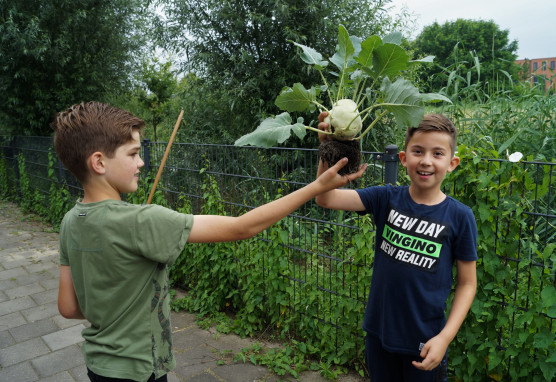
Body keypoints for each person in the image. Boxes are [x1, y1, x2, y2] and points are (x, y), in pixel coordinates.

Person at [54, 101, 366, 382]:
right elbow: (242, 228)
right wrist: (315, 187)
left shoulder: (70, 221)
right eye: (133, 154)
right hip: (139, 370)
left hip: (99, 366)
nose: (141, 163)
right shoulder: (140, 220)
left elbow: (68, 307)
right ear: (99, 162)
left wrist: (111, 306)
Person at [315, 112, 477, 381]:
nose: (426, 161)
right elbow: (325, 197)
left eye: (438, 153)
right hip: (379, 335)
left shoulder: (460, 216)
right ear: (404, 158)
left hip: (426, 343)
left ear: (452, 163)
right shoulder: (385, 198)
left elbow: (467, 284)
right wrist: (328, 151)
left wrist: (444, 338)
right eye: (417, 151)